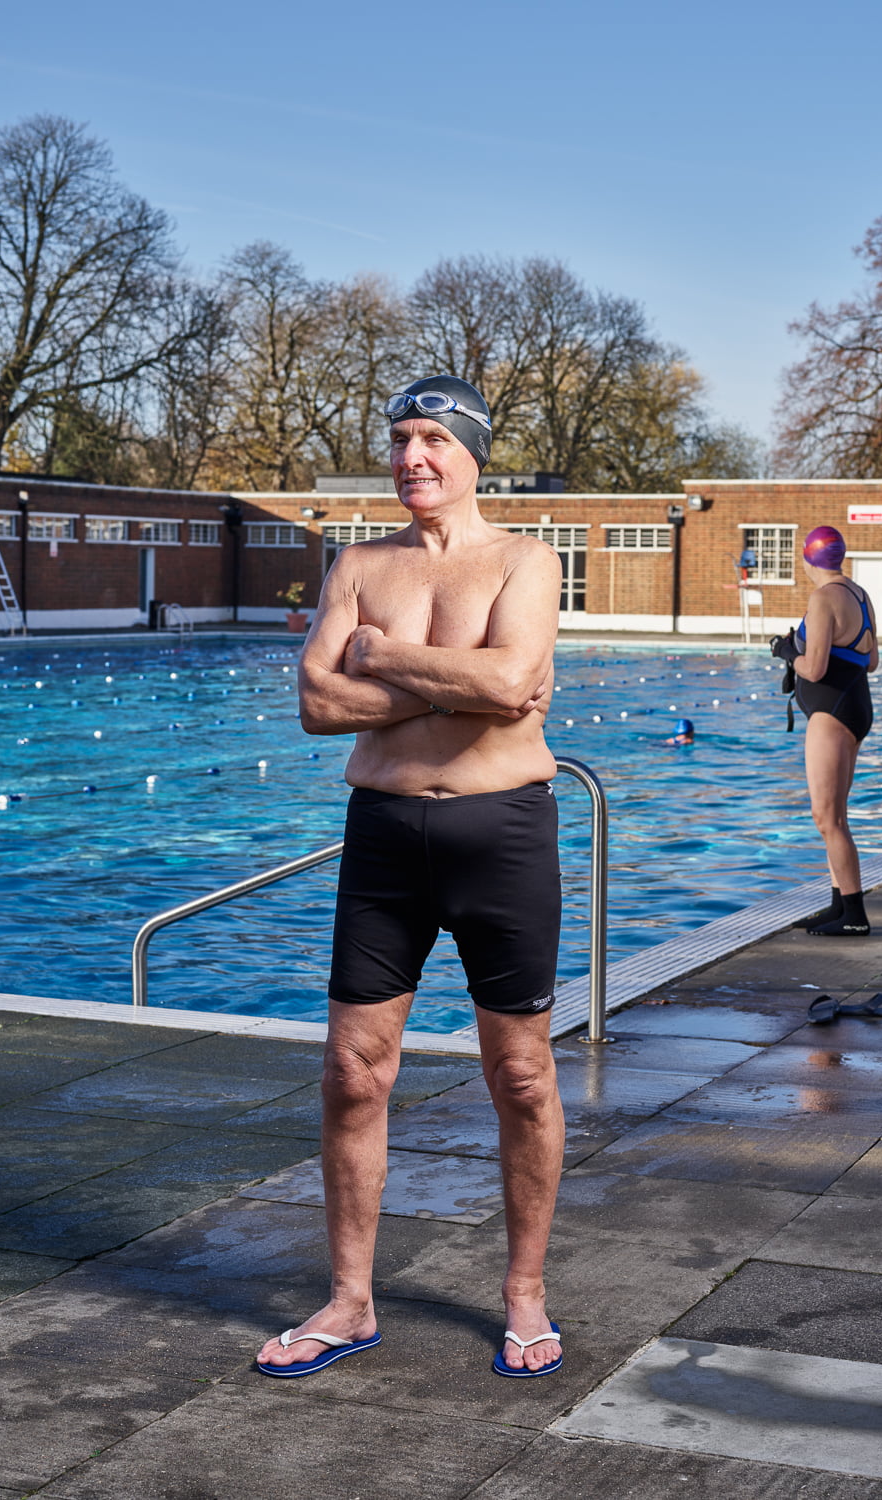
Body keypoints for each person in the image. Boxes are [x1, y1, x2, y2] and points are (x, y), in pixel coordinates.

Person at [256, 375, 566, 1380]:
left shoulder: (526, 559)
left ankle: (524, 1295)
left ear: (473, 452)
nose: (412, 459)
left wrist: (382, 658)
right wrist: (460, 681)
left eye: (433, 438)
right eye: (398, 439)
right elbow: (315, 702)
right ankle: (349, 1301)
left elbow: (516, 685)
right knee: (353, 1073)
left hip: (503, 835)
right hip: (385, 836)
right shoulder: (358, 563)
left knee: (519, 1074)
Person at [770, 525, 878, 936]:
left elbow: (813, 668)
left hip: (831, 714)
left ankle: (854, 916)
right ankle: (839, 906)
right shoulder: (859, 594)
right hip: (853, 706)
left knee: (826, 817)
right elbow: (870, 661)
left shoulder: (822, 598)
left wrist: (785, 651)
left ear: (808, 558)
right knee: (835, 817)